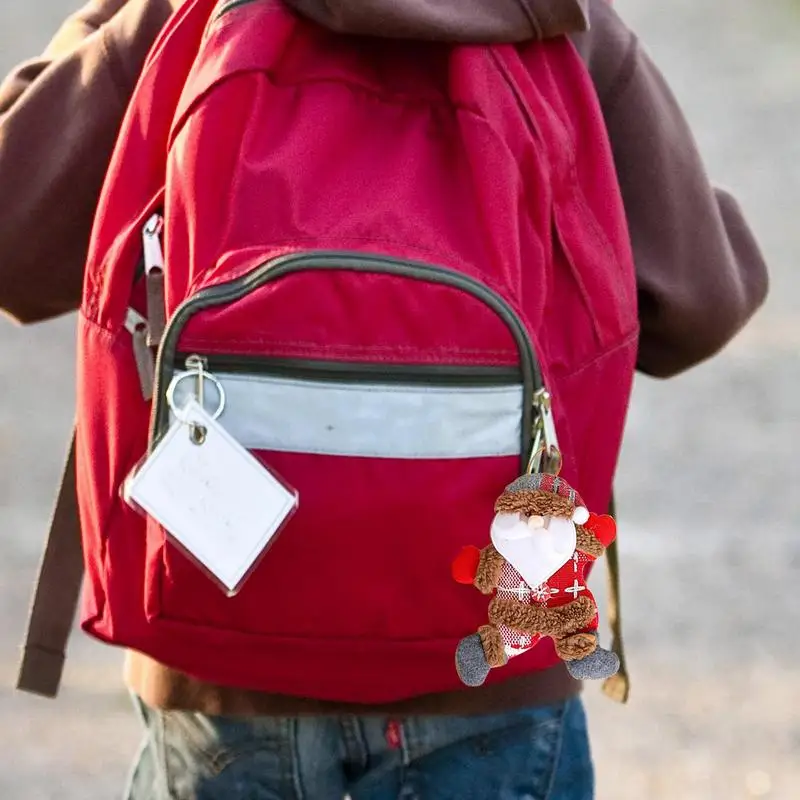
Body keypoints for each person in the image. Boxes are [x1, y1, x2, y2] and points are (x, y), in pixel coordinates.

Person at [0, 1, 768, 798]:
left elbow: (15, 243)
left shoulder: (185, 16)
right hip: (491, 671)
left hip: (220, 677)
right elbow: (701, 308)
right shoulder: (551, 19)